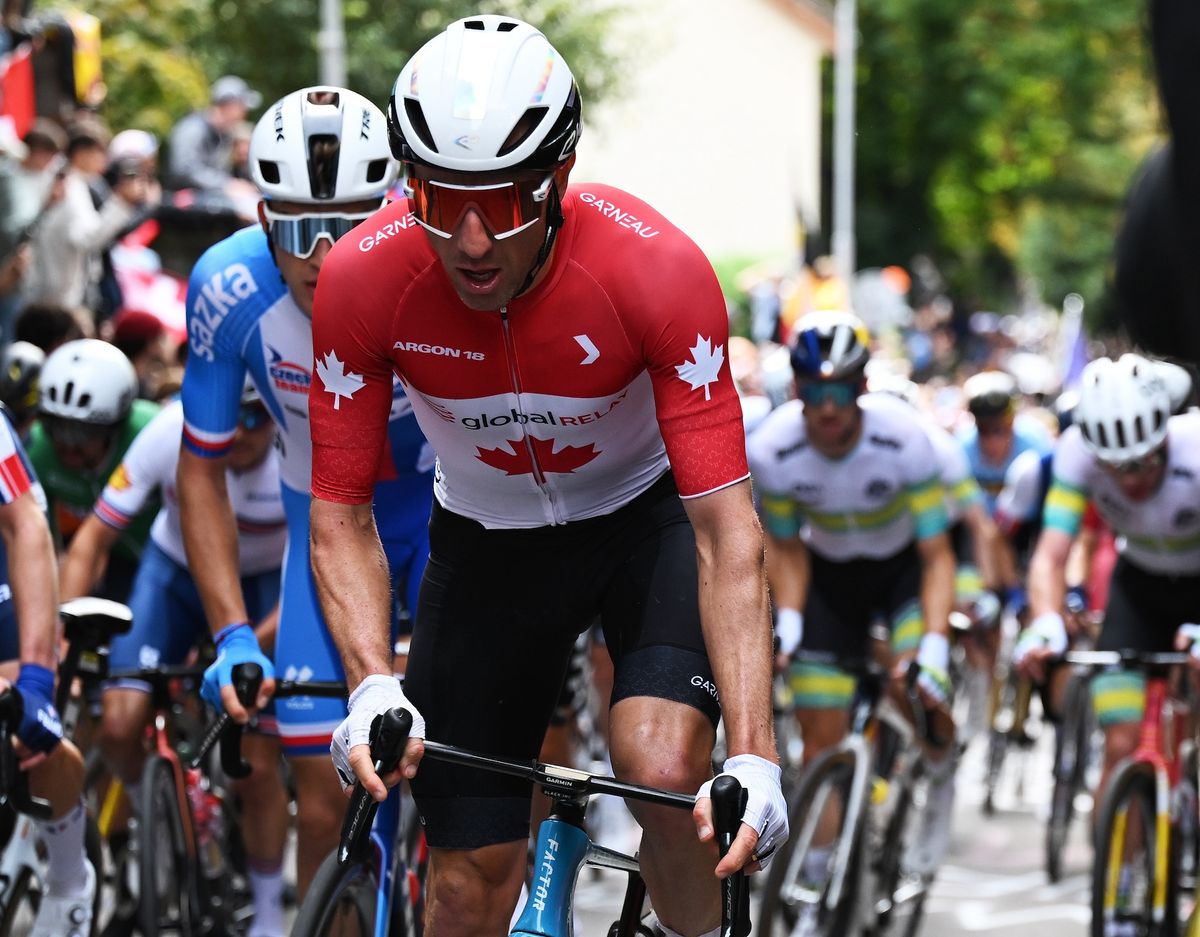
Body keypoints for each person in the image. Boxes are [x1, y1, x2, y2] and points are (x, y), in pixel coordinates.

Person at [307, 17, 785, 937]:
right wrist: (372, 681)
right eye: (441, 203)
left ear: (559, 177)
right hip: (487, 548)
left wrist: (756, 756)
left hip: (641, 524)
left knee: (661, 769)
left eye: (505, 201)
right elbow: (340, 515)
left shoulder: (657, 270)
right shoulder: (364, 282)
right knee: (462, 884)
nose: (474, 240)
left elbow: (729, 530)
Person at [176, 85, 433, 896]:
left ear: (393, 211)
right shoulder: (227, 290)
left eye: (352, 225)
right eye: (297, 228)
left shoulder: (436, 270)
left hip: (448, 527)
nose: (324, 253)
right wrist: (230, 635)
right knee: (325, 806)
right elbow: (201, 469)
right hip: (323, 531)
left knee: (477, 806)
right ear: (261, 224)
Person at [58, 381, 290, 937]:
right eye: (227, 419)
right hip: (176, 573)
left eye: (254, 421)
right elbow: (91, 540)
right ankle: (156, 817)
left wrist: (246, 644)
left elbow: (311, 577)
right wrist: (63, 635)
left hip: (268, 586)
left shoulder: (298, 448)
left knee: (254, 761)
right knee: (117, 723)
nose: (238, 435)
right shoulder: (171, 431)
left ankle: (268, 910)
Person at [747, 311, 955, 882]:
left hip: (903, 575)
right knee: (821, 741)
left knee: (920, 689)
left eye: (840, 390)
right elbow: (785, 550)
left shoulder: (905, 438)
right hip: (829, 580)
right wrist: (787, 616)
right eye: (815, 391)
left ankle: (938, 769)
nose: (828, 407)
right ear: (796, 389)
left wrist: (934, 644)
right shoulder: (772, 450)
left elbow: (938, 554)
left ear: (862, 387)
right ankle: (817, 879)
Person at [1015, 354, 1200, 810]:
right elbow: (1052, 553)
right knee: (1120, 745)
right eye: (1115, 468)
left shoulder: (1195, 445)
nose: (1131, 479)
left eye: (1143, 462)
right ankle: (1122, 873)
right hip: (1136, 587)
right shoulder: (1077, 452)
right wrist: (1045, 621)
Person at [0, 405, 96, 936]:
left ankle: (68, 880)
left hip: (5, 567)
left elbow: (24, 525)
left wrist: (36, 677)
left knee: (25, 729)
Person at [27, 339, 159, 599]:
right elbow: (42, 545)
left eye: (84, 431)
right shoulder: (38, 449)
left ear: (116, 426)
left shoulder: (152, 433)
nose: (67, 444)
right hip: (116, 556)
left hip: (169, 552)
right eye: (56, 426)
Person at [24, 119, 151, 313]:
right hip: (55, 297)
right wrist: (121, 202)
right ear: (82, 153)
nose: (105, 161)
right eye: (101, 152)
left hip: (46, 291)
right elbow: (86, 239)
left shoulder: (60, 178)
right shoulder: (70, 187)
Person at [165, 75, 261, 216]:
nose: (245, 113)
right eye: (242, 107)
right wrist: (226, 185)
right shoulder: (193, 129)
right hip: (184, 205)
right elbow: (183, 171)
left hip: (209, 201)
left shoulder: (223, 133)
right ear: (229, 105)